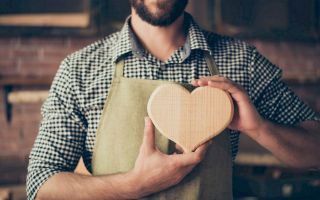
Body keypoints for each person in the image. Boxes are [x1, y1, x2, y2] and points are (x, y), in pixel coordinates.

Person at [27, 0, 320, 199]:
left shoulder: (241, 62)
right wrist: (136, 184)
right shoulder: (80, 69)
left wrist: (259, 127)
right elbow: (41, 184)